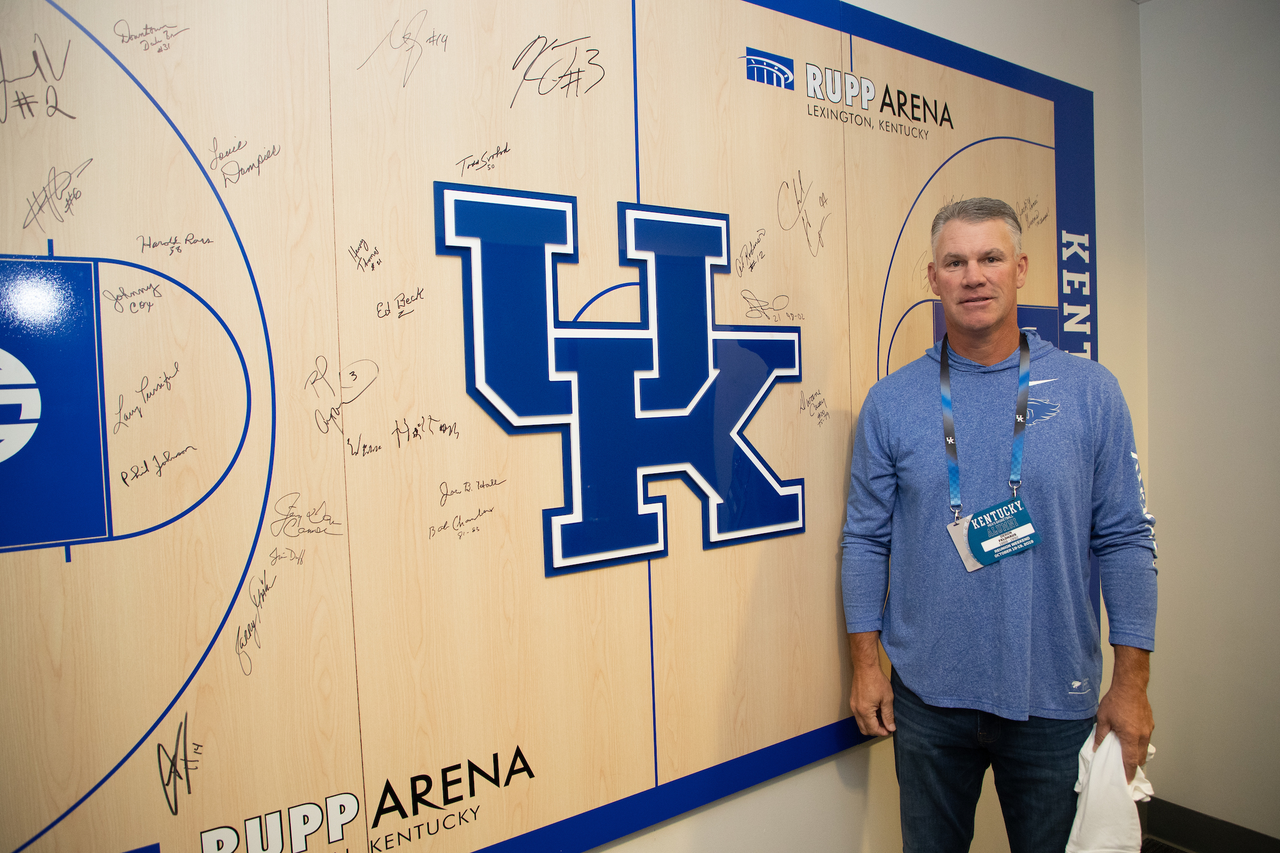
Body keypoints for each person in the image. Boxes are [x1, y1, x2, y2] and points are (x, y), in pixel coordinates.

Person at [840, 198, 1157, 852]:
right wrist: (866, 664)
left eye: (989, 258)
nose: (973, 275)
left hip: (1053, 699)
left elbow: (1126, 538)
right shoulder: (890, 403)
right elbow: (865, 540)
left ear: (1021, 269)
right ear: (933, 278)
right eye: (954, 261)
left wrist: (1131, 684)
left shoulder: (1090, 392)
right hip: (928, 703)